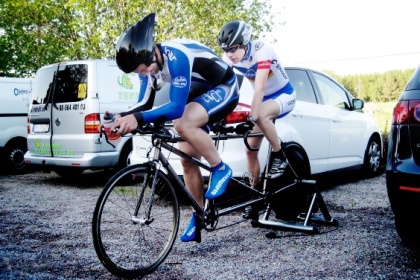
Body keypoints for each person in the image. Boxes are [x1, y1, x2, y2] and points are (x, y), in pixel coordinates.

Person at [107, 13, 239, 242]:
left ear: (151, 53)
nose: (143, 74)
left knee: (183, 122)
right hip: (201, 94)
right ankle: (200, 216)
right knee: (187, 160)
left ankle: (220, 168)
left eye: (143, 69)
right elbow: (143, 103)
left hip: (224, 87)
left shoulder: (176, 57)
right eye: (138, 72)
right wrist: (119, 118)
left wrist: (137, 119)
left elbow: (177, 107)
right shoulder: (148, 66)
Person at [217, 21, 296, 219]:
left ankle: (280, 155)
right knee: (250, 150)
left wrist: (251, 116)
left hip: (284, 95)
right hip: (264, 101)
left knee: (260, 115)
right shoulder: (229, 60)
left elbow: (259, 88)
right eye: (226, 50)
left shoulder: (263, 50)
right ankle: (256, 197)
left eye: (233, 49)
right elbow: (223, 88)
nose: (230, 54)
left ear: (244, 44)